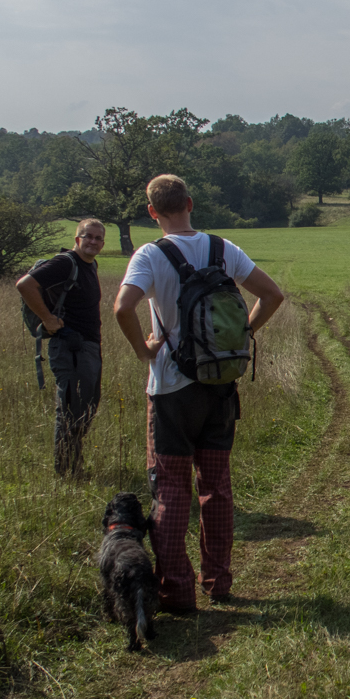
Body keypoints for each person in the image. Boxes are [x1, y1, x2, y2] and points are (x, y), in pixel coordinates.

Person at [114, 174, 284, 612]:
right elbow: (272, 294)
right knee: (217, 487)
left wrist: (144, 350)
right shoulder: (223, 249)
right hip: (220, 386)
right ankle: (219, 582)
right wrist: (240, 335)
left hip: (171, 389)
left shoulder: (150, 254)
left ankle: (176, 592)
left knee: (170, 490)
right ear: (190, 202)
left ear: (152, 212)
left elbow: (122, 307)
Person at [16, 219, 106, 478]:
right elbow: (25, 285)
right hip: (69, 346)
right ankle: (67, 472)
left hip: (87, 346)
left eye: (98, 238)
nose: (93, 241)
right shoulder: (66, 262)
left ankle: (72, 466)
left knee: (86, 406)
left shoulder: (90, 265)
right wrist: (47, 319)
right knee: (71, 408)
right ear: (77, 240)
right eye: (87, 236)